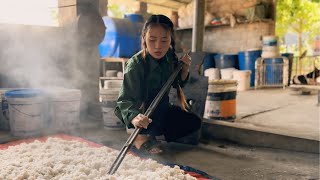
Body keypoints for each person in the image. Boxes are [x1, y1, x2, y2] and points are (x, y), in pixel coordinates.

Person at [114, 14, 202, 155]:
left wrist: (184, 68)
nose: (158, 46)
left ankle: (153, 134)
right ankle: (140, 137)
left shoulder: (169, 57)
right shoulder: (135, 65)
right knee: (148, 126)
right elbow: (124, 101)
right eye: (152, 39)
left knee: (192, 122)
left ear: (170, 40)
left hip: (161, 108)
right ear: (144, 37)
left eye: (164, 40)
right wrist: (135, 117)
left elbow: (178, 82)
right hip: (141, 113)